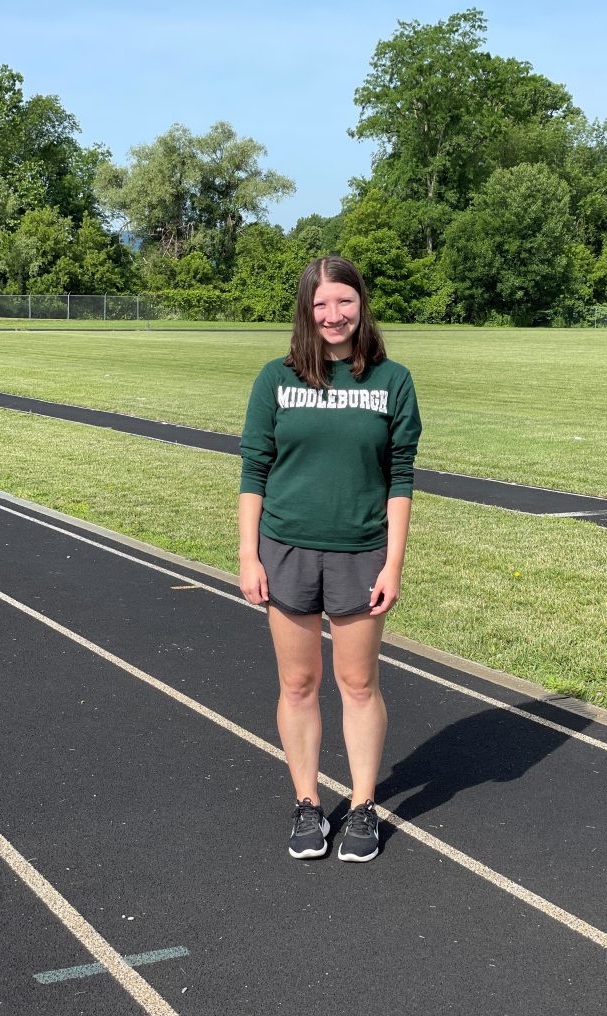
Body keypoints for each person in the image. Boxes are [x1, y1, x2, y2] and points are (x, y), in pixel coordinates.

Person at [238, 255, 421, 863]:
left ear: (360, 304)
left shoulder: (391, 381)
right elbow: (253, 470)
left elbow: (400, 478)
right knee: (297, 682)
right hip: (285, 548)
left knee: (358, 684)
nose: (333, 314)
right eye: (320, 304)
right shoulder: (276, 378)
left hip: (361, 552)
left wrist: (393, 564)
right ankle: (308, 805)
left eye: (343, 301)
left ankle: (364, 806)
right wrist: (248, 553)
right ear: (306, 311)